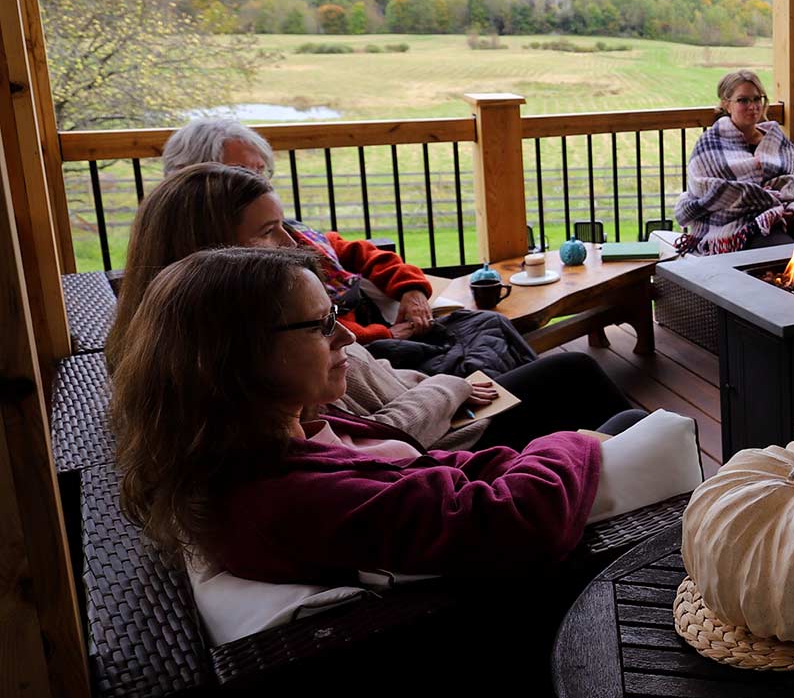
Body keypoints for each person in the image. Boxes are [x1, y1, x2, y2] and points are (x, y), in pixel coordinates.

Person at [112, 246, 614, 586]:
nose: (348, 336)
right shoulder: (290, 498)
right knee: (621, 423)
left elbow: (437, 475)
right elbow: (515, 520)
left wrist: (506, 460)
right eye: (321, 325)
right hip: (547, 574)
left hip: (480, 486)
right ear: (236, 357)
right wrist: (572, 440)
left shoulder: (279, 440)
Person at [106, 162, 637, 448]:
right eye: (270, 233)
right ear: (211, 248)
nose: (294, 248)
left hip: (433, 403)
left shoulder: (233, 332)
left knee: (509, 346)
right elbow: (381, 437)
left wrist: (410, 301)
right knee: (574, 376)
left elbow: (370, 273)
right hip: (446, 437)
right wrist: (448, 387)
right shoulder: (251, 355)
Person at [161, 116, 437, 348]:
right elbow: (306, 328)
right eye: (242, 171)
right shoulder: (225, 269)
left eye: (260, 170)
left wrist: (411, 289)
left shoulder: (289, 233)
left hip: (371, 334)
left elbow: (356, 251)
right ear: (200, 183)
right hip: (355, 349)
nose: (257, 182)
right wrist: (384, 334)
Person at [673, 70, 794, 255]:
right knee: (784, 252)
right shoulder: (710, 144)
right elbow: (707, 189)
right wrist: (766, 204)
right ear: (727, 105)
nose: (753, 106)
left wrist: (787, 208)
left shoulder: (776, 140)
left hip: (791, 214)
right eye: (743, 100)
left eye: (757, 99)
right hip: (738, 223)